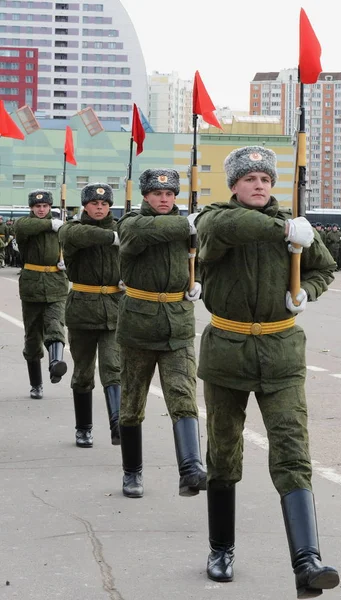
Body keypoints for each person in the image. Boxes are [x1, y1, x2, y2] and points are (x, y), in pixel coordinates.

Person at [195, 146, 339, 597]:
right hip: (227, 353)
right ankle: (221, 549)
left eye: (265, 178)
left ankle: (307, 561)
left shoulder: (297, 230)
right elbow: (231, 227)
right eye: (250, 178)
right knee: (223, 453)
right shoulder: (216, 219)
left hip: (280, 353)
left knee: (293, 451)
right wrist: (288, 228)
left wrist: (306, 292)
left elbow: (325, 268)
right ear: (233, 185)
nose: (259, 185)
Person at [116, 168, 206, 499]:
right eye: (157, 194)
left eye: (169, 194)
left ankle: (190, 470)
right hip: (138, 327)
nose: (164, 199)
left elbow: (202, 262)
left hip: (178, 326)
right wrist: (191, 223)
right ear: (145, 196)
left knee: (183, 398)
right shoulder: (131, 224)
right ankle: (132, 473)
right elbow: (141, 236)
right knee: (132, 403)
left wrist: (200, 284)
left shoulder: (189, 229)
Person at [59, 183, 123, 448]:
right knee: (83, 373)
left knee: (113, 368)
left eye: (104, 204)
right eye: (94, 203)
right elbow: (78, 235)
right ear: (85, 206)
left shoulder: (122, 228)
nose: (99, 207)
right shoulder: (72, 230)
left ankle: (117, 424)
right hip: (83, 310)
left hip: (114, 309)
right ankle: (83, 428)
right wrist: (111, 237)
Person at [15, 190, 68, 399]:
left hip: (56, 284)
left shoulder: (61, 228)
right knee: (32, 336)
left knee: (56, 325)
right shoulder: (24, 225)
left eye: (45, 206)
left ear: (50, 207)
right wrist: (50, 224)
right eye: (37, 207)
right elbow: (24, 227)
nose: (41, 210)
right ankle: (36, 384)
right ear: (31, 208)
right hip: (32, 286)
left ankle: (56, 364)